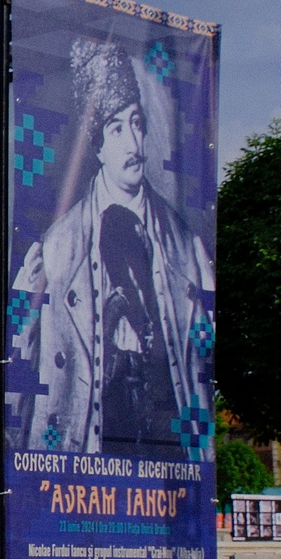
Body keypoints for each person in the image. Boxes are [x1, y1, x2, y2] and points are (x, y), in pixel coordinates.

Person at [11, 38, 214, 456]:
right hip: (77, 455)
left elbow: (205, 359)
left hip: (167, 458)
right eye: (116, 128)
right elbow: (19, 363)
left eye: (137, 123)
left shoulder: (186, 248)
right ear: (97, 146)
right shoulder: (54, 249)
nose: (133, 144)